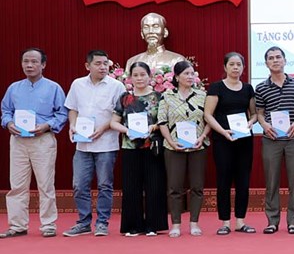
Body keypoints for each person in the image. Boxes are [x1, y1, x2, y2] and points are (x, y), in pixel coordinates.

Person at [0, 48, 67, 239]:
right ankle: (17, 225)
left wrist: (47, 125)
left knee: (45, 184)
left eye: (34, 62)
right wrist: (9, 123)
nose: (29, 65)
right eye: (26, 61)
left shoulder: (53, 88)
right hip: (18, 140)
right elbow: (5, 111)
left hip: (42, 139)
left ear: (43, 64)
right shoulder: (14, 88)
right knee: (17, 185)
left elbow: (62, 113)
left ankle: (48, 225)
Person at [62, 50, 127, 237]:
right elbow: (72, 108)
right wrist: (72, 125)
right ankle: (83, 222)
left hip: (106, 143)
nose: (103, 67)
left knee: (105, 185)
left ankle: (102, 223)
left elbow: (120, 114)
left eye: (105, 63)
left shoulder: (117, 86)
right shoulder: (78, 84)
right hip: (82, 144)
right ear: (87, 66)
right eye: (98, 63)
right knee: (79, 185)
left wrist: (103, 128)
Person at [110, 62, 168, 236]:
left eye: (143, 74)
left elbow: (164, 121)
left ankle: (153, 225)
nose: (139, 78)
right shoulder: (124, 98)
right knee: (131, 187)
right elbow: (114, 122)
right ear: (130, 78)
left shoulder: (159, 97)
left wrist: (153, 127)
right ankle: (133, 226)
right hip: (130, 147)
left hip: (152, 146)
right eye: (135, 75)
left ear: (150, 76)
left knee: (155, 185)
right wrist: (127, 130)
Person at [204, 52, 258, 235]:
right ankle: (225, 222)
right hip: (223, 140)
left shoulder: (248, 88)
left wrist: (251, 122)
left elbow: (254, 114)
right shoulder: (216, 87)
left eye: (239, 65)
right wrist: (223, 132)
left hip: (244, 140)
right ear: (225, 67)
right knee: (224, 180)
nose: (235, 67)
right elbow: (208, 115)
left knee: (243, 181)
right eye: (232, 64)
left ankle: (240, 222)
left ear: (243, 67)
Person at [255, 46, 294, 235]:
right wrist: (264, 125)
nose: (275, 60)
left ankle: (293, 222)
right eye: (271, 58)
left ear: (285, 60)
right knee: (271, 182)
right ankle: (272, 221)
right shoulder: (261, 87)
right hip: (272, 139)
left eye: (278, 57)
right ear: (266, 63)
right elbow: (259, 113)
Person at [158, 60, 210, 238]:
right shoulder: (167, 96)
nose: (190, 76)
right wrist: (171, 142)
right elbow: (162, 122)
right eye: (186, 73)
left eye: (192, 73)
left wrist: (202, 137)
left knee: (197, 186)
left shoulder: (202, 95)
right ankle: (176, 224)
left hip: (197, 146)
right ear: (177, 77)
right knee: (174, 187)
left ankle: (194, 223)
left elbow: (209, 119)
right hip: (174, 147)